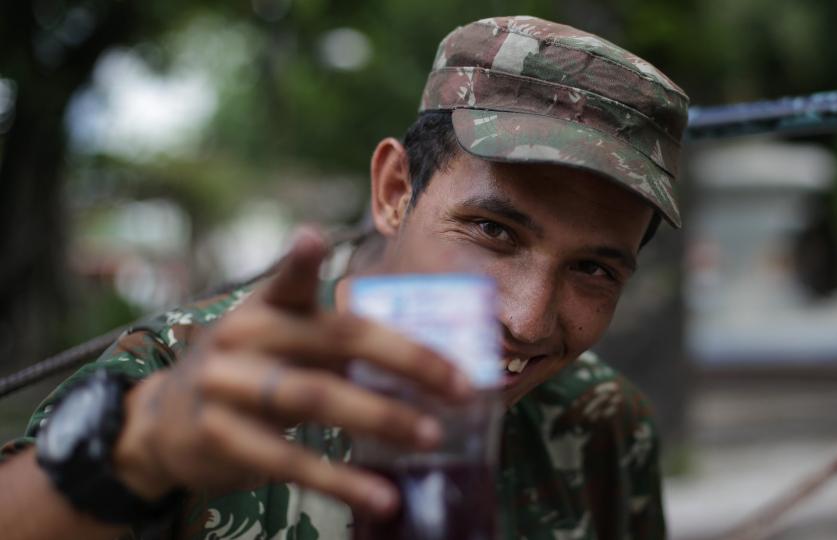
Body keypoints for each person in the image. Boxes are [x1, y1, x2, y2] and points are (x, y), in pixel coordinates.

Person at [0, 14, 689, 540]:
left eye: (594, 268)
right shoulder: (191, 378)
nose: (529, 319)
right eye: (493, 230)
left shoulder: (599, 421)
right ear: (395, 190)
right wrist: (136, 453)